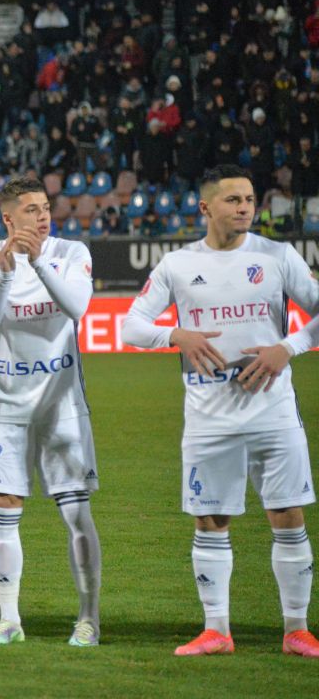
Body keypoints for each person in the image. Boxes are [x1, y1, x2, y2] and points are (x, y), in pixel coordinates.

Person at [121, 165, 319, 657]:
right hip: (209, 413)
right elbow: (131, 326)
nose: (245, 207)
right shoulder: (178, 265)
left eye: (249, 198)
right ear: (206, 208)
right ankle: (217, 631)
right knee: (210, 519)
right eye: (233, 200)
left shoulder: (277, 256)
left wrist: (288, 347)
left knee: (287, 514)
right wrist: (176, 334)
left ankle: (297, 630)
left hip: (273, 410)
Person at [0, 177, 102, 647]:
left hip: (63, 407)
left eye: (45, 208)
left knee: (76, 511)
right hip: (7, 408)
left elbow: (78, 306)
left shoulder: (72, 252)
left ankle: (88, 618)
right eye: (31, 210)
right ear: (8, 219)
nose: (43, 217)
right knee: (4, 507)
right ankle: (8, 620)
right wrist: (4, 274)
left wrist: (38, 262)